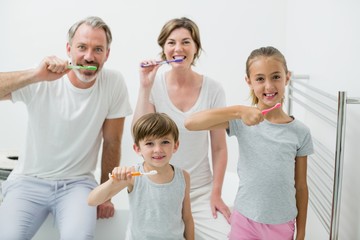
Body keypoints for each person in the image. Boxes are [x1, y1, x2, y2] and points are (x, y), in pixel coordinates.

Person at [0, 16, 132, 239]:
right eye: (82, 47)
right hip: (28, 182)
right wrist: (36, 75)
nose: (89, 56)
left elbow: (112, 143)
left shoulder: (113, 83)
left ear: (107, 54)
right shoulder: (42, 77)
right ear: (69, 49)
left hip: (78, 185)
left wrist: (106, 194)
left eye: (98, 49)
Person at [185, 46, 314, 240]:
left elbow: (301, 187)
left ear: (287, 77)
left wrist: (301, 234)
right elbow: (190, 123)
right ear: (249, 81)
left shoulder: (300, 132)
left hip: (281, 225)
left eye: (276, 77)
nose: (269, 86)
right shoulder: (242, 121)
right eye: (260, 79)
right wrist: (238, 111)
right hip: (244, 221)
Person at [132, 17, 231, 239]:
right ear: (163, 49)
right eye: (171, 42)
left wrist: (216, 193)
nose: (178, 48)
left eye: (186, 42)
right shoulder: (154, 84)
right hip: (158, 188)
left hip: (199, 191)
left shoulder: (213, 89)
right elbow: (139, 133)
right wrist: (144, 87)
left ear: (196, 48)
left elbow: (219, 148)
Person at [88, 112, 194, 240]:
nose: (158, 149)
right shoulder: (133, 176)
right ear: (137, 149)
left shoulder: (183, 177)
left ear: (175, 146)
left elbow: (187, 218)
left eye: (165, 142)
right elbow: (92, 200)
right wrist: (112, 181)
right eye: (150, 143)